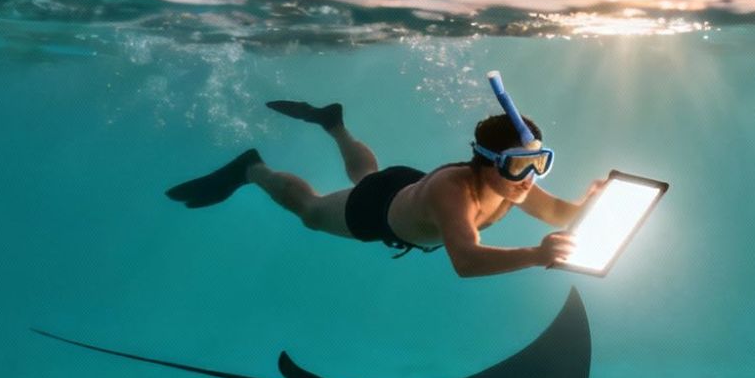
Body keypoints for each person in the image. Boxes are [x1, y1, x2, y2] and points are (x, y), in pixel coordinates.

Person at [165, 72, 602, 278]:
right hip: (380, 212)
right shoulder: (458, 195)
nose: (530, 177)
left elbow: (560, 213)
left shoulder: (514, 183)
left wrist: (592, 204)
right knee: (312, 212)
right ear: (487, 161)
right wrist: (535, 254)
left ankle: (334, 124)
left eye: (539, 162)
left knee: (368, 173)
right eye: (519, 165)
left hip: (407, 189)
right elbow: (466, 262)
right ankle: (252, 168)